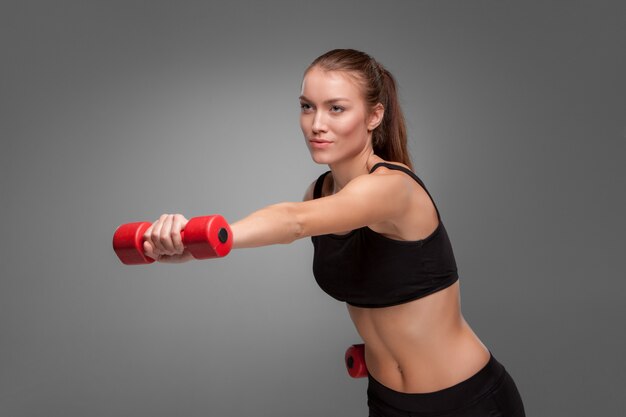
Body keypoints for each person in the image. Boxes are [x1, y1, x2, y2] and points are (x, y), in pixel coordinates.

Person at [141, 49, 526, 417]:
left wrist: (210, 237)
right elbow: (296, 218)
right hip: (387, 401)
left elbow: (294, 221)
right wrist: (194, 249)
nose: (316, 124)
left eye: (336, 108)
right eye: (307, 106)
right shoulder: (320, 191)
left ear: (375, 115)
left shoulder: (393, 189)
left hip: (468, 402)